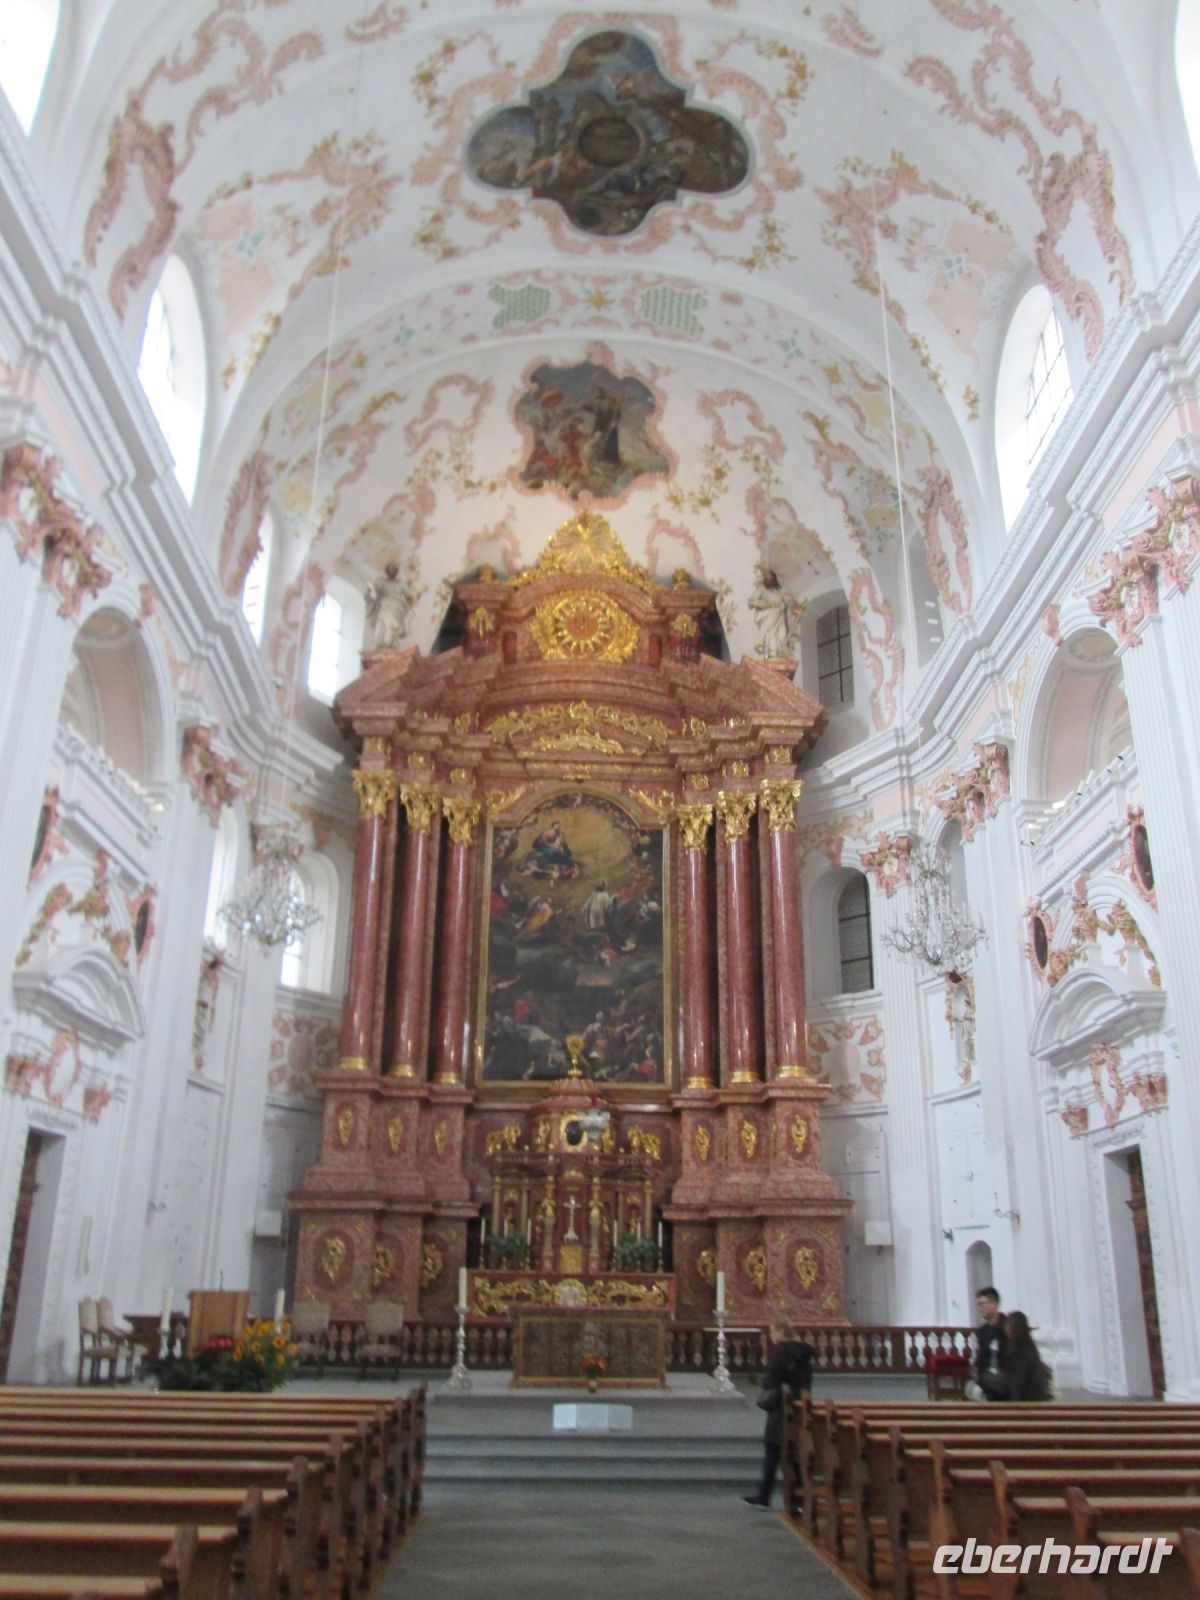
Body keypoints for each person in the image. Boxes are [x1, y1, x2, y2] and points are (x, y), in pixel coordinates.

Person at [744, 1318, 815, 1507]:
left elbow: (772, 1381)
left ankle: (764, 1495)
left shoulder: (780, 1353)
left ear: (782, 1333)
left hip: (781, 1409)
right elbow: (807, 1381)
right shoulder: (803, 1352)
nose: (771, 1336)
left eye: (772, 1332)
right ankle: (801, 1494)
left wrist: (767, 1385)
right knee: (795, 1452)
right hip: (799, 1405)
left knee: (773, 1451)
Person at [997, 1311, 1050, 1401]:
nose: (1005, 1329)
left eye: (1008, 1325)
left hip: (1028, 1398)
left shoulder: (1020, 1351)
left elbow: (1019, 1380)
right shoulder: (1028, 1346)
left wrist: (1013, 1402)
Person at [974, 1285, 1007, 1398]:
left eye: (982, 1304)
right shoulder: (982, 1331)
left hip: (1006, 1381)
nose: (980, 1308)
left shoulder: (1008, 1327)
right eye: (978, 1305)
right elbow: (981, 1358)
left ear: (994, 1303)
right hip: (987, 1380)